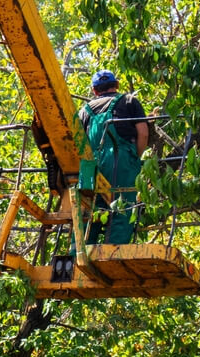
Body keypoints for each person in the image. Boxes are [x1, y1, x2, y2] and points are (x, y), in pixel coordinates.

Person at [78, 69, 149, 244]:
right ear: (116, 85)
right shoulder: (129, 101)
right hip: (121, 160)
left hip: (91, 166)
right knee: (122, 208)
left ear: (95, 90)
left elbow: (77, 144)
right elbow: (144, 134)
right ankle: (115, 253)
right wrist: (133, 158)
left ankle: (79, 253)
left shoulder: (84, 111)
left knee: (88, 210)